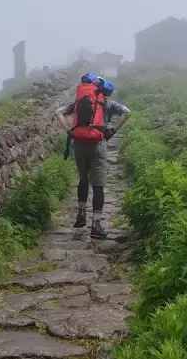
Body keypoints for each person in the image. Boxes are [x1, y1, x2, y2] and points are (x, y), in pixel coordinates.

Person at [54, 73, 131, 239]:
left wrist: (70, 132)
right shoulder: (106, 103)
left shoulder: (77, 103)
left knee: (83, 178)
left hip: (80, 144)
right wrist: (112, 130)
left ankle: (81, 214)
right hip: (98, 144)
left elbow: (58, 112)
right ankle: (96, 225)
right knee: (98, 185)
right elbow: (126, 112)